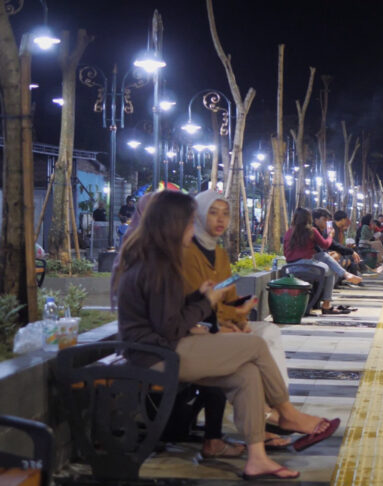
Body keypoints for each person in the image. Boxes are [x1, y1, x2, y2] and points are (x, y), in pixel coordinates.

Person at [116, 191, 339, 480]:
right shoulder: (158, 265)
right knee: (256, 345)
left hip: (165, 348)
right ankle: (286, 413)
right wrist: (206, 302)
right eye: (188, 223)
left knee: (245, 374)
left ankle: (257, 458)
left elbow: (166, 315)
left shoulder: (160, 260)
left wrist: (201, 301)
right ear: (173, 225)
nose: (191, 229)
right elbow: (168, 326)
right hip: (157, 356)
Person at [181, 189, 292, 452]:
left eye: (226, 214)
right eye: (213, 212)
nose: (221, 220)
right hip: (197, 330)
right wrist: (228, 322)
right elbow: (200, 303)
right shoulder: (186, 253)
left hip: (213, 324)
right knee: (256, 343)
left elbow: (226, 296)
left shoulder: (219, 253)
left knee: (269, 332)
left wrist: (238, 314)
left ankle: (272, 411)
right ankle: (271, 415)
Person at [284, 208, 359, 315]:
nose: (326, 222)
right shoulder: (311, 230)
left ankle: (345, 274)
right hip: (307, 267)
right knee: (331, 270)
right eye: (325, 219)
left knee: (322, 255)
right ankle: (326, 305)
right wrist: (330, 236)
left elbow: (286, 253)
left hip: (290, 268)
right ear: (310, 218)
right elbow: (325, 244)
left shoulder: (289, 232)